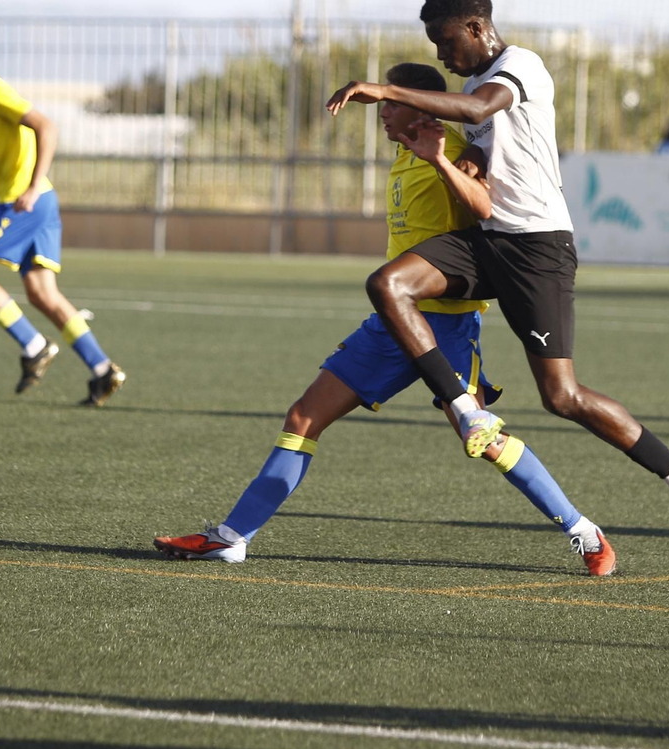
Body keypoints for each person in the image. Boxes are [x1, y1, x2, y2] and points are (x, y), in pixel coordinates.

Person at [156, 63, 614, 574]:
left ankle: (583, 531)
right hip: (393, 324)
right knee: (303, 417)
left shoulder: (458, 152)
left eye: (389, 103)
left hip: (447, 329)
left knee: (485, 442)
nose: (381, 111)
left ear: (421, 106)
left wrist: (441, 161)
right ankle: (232, 537)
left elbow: (484, 210)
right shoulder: (401, 154)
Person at [325, 0, 669, 554]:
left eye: (444, 39)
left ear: (477, 28)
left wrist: (384, 89)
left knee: (562, 397)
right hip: (487, 240)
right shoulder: (476, 83)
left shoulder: (520, 66)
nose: (440, 54)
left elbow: (482, 110)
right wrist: (460, 163)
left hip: (537, 249)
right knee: (389, 283)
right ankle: (464, 408)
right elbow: (485, 155)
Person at [0, 29, 126, 407]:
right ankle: (103, 371)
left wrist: (31, 188)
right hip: (40, 202)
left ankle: (34, 346)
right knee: (42, 293)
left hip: (24, 202)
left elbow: (46, 126)